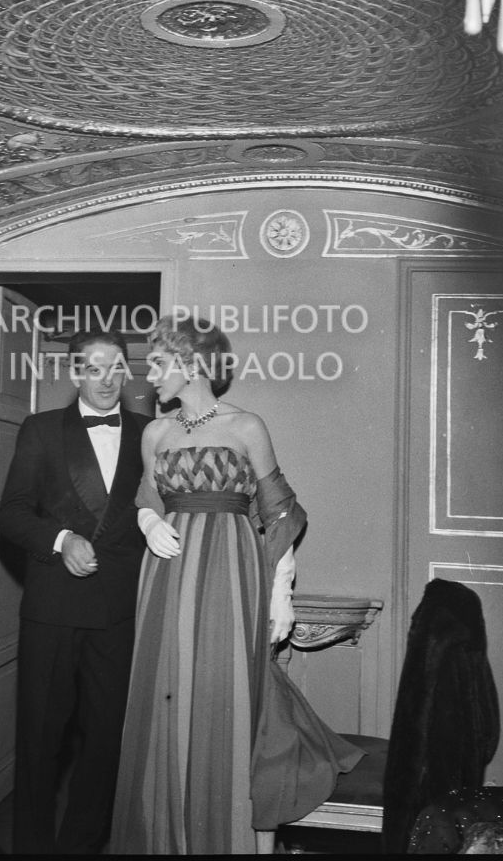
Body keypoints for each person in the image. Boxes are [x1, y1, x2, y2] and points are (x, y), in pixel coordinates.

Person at [110, 314, 363, 855]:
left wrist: (280, 593)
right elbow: (146, 498)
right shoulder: (155, 432)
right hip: (167, 574)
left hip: (231, 571)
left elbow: (281, 513)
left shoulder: (248, 426)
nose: (148, 376)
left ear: (191, 363)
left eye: (158, 363)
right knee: (167, 697)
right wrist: (149, 522)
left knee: (225, 695)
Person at [0, 328, 151, 854]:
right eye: (94, 369)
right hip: (54, 610)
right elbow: (11, 514)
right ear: (75, 373)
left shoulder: (151, 433)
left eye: (115, 368)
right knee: (40, 744)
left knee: (106, 744)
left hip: (120, 612)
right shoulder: (41, 430)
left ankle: (82, 849)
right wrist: (61, 540)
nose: (106, 380)